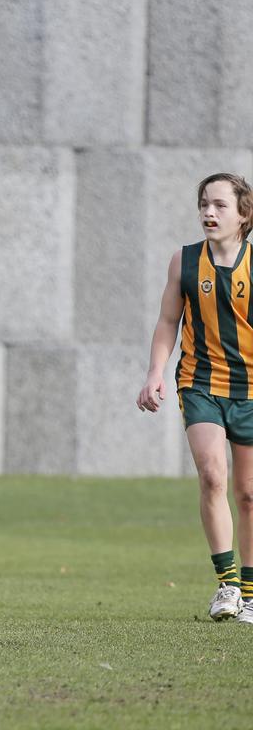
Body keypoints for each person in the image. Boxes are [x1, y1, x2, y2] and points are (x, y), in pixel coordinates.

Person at [137, 172, 253, 623]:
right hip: (200, 383)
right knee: (212, 477)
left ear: (244, 215)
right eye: (204, 203)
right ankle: (227, 586)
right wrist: (155, 373)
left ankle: (250, 590)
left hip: (250, 390)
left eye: (221, 205)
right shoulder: (184, 262)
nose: (209, 212)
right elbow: (168, 322)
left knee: (248, 494)